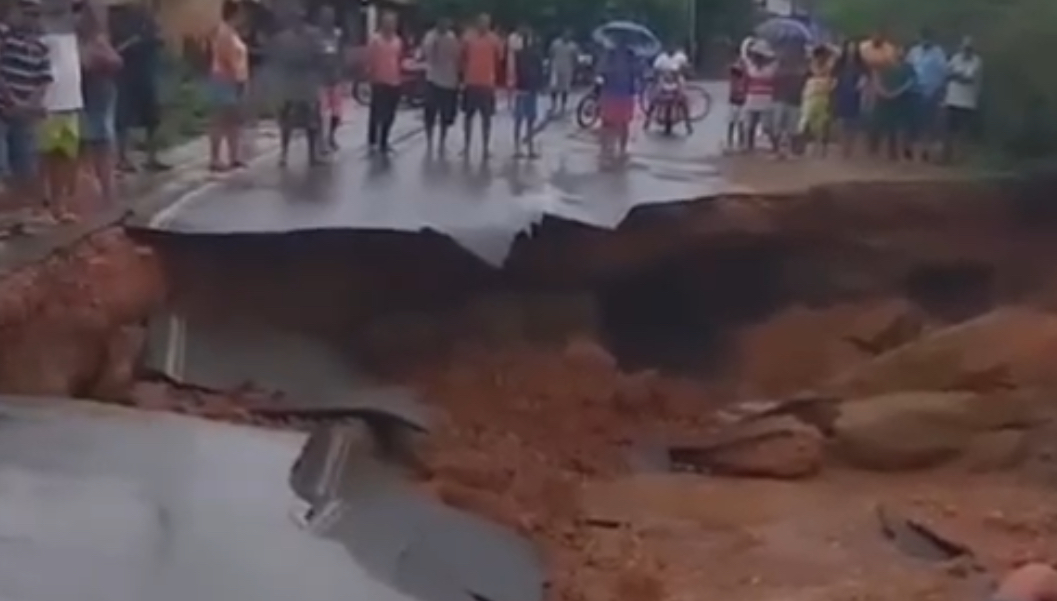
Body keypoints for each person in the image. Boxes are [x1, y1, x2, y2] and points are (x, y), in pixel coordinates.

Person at [0, 0, 51, 214]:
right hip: (4, 108)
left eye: (35, 14)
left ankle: (18, 212)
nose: (31, 19)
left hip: (24, 113)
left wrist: (30, 104)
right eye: (26, 12)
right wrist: (11, 99)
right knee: (3, 165)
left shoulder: (41, 47)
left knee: (25, 164)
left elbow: (44, 80)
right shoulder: (6, 40)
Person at [111, 0, 167, 172]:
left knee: (153, 117)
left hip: (147, 73)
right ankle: (122, 158)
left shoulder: (148, 18)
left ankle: (152, 157)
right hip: (127, 75)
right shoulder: (118, 19)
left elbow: (160, 40)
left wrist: (157, 36)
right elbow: (115, 49)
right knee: (123, 118)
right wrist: (132, 42)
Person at [76, 0, 121, 205]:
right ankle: (88, 192)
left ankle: (107, 191)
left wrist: (101, 57)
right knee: (84, 146)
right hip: (82, 98)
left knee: (103, 144)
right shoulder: (71, 40)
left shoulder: (99, 39)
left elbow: (116, 61)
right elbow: (83, 63)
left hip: (101, 96)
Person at [270, 5, 325, 166]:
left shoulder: (314, 36)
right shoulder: (283, 38)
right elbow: (277, 59)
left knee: (312, 122)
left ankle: (312, 154)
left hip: (307, 81)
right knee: (286, 120)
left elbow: (320, 57)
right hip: (289, 82)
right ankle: (284, 153)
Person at [38, 21, 83, 218]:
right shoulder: (36, 26)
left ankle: (59, 206)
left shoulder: (72, 28)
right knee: (42, 155)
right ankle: (38, 207)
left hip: (70, 100)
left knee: (64, 155)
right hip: (45, 102)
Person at [205, 0, 247, 171]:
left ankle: (234, 156)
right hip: (224, 80)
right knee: (220, 120)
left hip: (232, 80)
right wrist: (237, 79)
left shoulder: (231, 32)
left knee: (233, 121)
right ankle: (215, 159)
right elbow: (227, 59)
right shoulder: (224, 33)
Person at [460, 13, 502, 159]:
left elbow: (499, 59)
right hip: (471, 82)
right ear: (476, 23)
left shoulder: (495, 40)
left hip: (487, 84)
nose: (483, 25)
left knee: (487, 118)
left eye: (486, 22)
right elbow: (462, 57)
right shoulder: (468, 38)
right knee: (468, 117)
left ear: (489, 24)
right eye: (480, 22)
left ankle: (485, 147)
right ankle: (466, 146)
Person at [906, 27, 948, 161]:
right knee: (912, 122)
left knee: (927, 123)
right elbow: (907, 69)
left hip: (930, 91)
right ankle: (909, 148)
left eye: (927, 39)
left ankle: (925, 150)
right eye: (923, 38)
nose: (925, 41)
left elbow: (943, 73)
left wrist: (937, 90)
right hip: (913, 90)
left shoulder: (938, 54)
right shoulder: (914, 51)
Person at [365, 10, 402, 155]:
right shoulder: (375, 40)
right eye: (388, 23)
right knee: (377, 112)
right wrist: (369, 76)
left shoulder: (398, 41)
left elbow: (398, 59)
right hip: (379, 81)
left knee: (390, 113)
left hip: (394, 81)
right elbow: (370, 59)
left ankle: (384, 140)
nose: (391, 26)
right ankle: (374, 139)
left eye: (393, 23)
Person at [420, 16, 459, 153]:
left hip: (448, 80)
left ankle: (442, 140)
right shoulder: (430, 36)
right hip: (433, 79)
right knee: (430, 112)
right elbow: (426, 53)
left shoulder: (452, 37)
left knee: (445, 114)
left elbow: (456, 57)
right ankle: (429, 140)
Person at [597, 37, 638, 165]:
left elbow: (637, 72)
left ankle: (621, 148)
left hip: (625, 93)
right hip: (610, 92)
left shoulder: (631, 56)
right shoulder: (609, 55)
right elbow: (601, 70)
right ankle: (605, 149)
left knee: (624, 123)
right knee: (607, 122)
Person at [872, 45, 917, 160]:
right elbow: (876, 78)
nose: (899, 54)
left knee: (900, 127)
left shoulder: (908, 67)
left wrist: (896, 93)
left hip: (902, 100)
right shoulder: (884, 66)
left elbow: (911, 82)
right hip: (884, 100)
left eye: (901, 52)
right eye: (897, 51)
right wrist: (884, 92)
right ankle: (880, 151)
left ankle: (900, 151)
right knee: (883, 125)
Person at [942, 35, 981, 163]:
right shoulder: (956, 58)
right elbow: (947, 74)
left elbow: (968, 78)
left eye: (969, 48)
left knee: (963, 133)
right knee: (948, 131)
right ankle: (946, 157)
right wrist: (957, 75)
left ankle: (961, 158)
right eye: (965, 48)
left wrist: (955, 75)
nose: (966, 50)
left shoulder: (977, 61)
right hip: (952, 99)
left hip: (967, 102)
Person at [511, 25, 544, 158]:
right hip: (523, 89)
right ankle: (520, 148)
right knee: (521, 119)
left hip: (529, 89)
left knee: (528, 119)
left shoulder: (534, 55)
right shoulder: (519, 55)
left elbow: (540, 72)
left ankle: (526, 148)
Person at [316, 5, 344, 154]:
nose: (328, 19)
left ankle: (331, 137)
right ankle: (321, 141)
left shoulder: (337, 35)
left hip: (335, 78)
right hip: (321, 79)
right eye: (325, 16)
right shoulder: (316, 36)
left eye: (330, 16)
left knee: (337, 113)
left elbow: (341, 55)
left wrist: (341, 72)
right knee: (321, 113)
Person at [799, 43, 836, 157]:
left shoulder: (830, 65)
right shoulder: (811, 65)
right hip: (811, 95)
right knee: (806, 121)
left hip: (823, 96)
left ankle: (821, 148)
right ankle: (803, 147)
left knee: (822, 124)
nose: (822, 58)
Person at [740, 37, 776, 153]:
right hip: (752, 99)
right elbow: (744, 54)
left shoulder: (771, 67)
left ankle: (775, 145)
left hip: (766, 100)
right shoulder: (751, 66)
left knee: (767, 126)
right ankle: (749, 147)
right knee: (749, 125)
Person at [831, 39, 865, 157]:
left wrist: (861, 84)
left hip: (855, 92)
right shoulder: (840, 63)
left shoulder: (860, 63)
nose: (851, 50)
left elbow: (865, 75)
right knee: (842, 119)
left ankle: (851, 144)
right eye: (849, 47)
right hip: (842, 92)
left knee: (853, 120)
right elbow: (833, 75)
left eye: (853, 47)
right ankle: (843, 145)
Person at [770, 53, 808, 158]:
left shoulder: (798, 70)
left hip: (791, 100)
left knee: (790, 127)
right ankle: (778, 150)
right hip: (784, 100)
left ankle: (785, 150)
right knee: (780, 126)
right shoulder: (783, 70)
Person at [548, 28, 577, 114]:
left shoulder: (573, 46)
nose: (567, 36)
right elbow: (550, 54)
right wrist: (550, 66)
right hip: (556, 68)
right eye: (566, 34)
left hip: (567, 69)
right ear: (562, 34)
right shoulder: (555, 43)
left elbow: (575, 58)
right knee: (554, 88)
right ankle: (553, 105)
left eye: (569, 35)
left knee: (565, 89)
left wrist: (574, 69)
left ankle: (563, 106)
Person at [726, 53, 747, 151]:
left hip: (741, 101)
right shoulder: (734, 73)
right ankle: (730, 143)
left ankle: (740, 143)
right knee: (733, 123)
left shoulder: (744, 76)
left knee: (740, 123)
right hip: (734, 101)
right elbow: (732, 68)